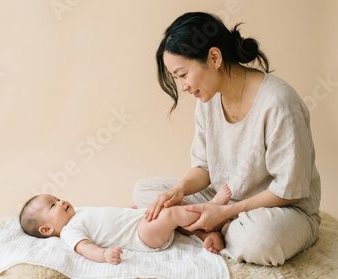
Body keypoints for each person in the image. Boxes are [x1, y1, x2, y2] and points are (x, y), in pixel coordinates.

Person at [134, 12, 321, 266]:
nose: (183, 87)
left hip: (283, 210)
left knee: (259, 240)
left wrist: (225, 212)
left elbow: (290, 190)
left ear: (214, 57)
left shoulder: (278, 102)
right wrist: (178, 190)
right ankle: (209, 229)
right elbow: (204, 168)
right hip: (222, 198)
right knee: (146, 192)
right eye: (176, 78)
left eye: (182, 74)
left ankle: (214, 227)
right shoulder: (208, 100)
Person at [19, 184, 232, 265]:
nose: (61, 201)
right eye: (53, 205)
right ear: (47, 229)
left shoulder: (79, 213)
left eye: (58, 198)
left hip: (137, 222)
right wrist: (103, 255)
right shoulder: (69, 232)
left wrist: (127, 213)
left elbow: (107, 220)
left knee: (167, 207)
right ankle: (211, 208)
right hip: (141, 237)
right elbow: (85, 248)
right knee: (170, 215)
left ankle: (206, 235)